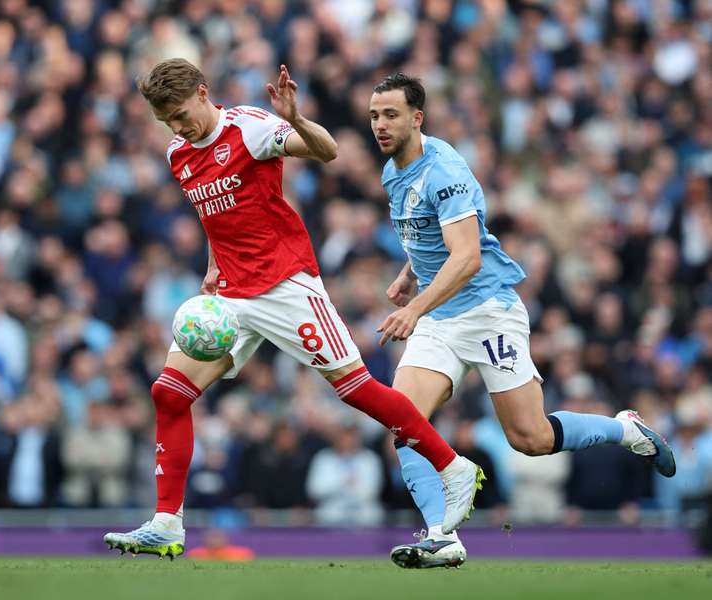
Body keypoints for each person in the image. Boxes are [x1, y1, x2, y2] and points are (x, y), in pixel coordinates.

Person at [103, 59, 482, 559]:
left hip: (286, 284)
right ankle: (167, 523)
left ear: (202, 93)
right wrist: (213, 265)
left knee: (356, 389)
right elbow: (217, 216)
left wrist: (296, 118)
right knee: (168, 393)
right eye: (165, 121)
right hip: (231, 296)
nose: (176, 127)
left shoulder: (251, 129)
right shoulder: (179, 153)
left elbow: (328, 151)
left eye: (180, 114)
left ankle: (453, 467)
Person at [368, 73, 676, 569]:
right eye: (374, 116)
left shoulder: (444, 170)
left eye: (391, 115)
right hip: (439, 316)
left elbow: (468, 257)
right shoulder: (393, 170)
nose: (380, 125)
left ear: (417, 118)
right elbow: (426, 233)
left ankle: (624, 429)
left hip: (488, 311)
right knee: (404, 420)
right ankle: (441, 537)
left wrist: (413, 307)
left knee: (530, 438)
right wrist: (410, 273)